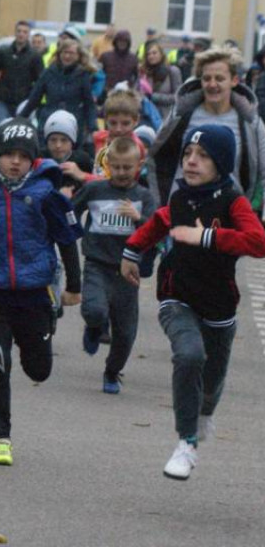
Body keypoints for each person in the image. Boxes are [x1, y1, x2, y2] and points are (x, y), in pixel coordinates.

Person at [121, 124, 265, 480]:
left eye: (202, 156)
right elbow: (157, 223)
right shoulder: (180, 198)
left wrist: (207, 236)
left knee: (212, 384)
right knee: (189, 355)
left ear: (222, 164)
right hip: (177, 295)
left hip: (219, 306)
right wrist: (132, 250)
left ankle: (202, 417)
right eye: (188, 154)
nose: (191, 162)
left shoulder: (234, 202)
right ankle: (185, 444)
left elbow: (258, 242)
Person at [0, 119, 83, 465]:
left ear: (33, 159)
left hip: (34, 292)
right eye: (8, 155)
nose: (15, 162)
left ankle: (44, 335)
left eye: (22, 156)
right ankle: (1, 437)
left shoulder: (46, 194)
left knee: (38, 370)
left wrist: (73, 286)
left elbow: (67, 241)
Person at [71, 137, 155, 394]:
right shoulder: (96, 190)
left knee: (126, 332)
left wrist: (139, 218)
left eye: (126, 168)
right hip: (97, 263)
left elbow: (156, 231)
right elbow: (71, 209)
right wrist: (70, 232)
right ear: (107, 165)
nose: (120, 173)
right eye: (115, 167)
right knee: (94, 309)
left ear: (138, 166)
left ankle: (111, 371)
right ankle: (95, 327)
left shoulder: (143, 196)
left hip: (128, 270)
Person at [150, 47, 265, 209]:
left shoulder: (250, 122)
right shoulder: (180, 116)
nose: (212, 84)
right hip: (181, 215)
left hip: (227, 220)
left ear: (234, 81)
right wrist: (159, 206)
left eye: (219, 78)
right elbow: (156, 155)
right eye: (206, 78)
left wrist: (252, 211)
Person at [19, 37, 97, 145]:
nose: (67, 56)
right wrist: (20, 119)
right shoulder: (49, 72)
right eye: (64, 52)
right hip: (48, 121)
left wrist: (93, 128)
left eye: (71, 53)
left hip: (73, 124)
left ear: (78, 56)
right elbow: (34, 98)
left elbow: (89, 104)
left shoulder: (82, 75)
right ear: (59, 54)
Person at [0, 20, 44, 122]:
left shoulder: (35, 56)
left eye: (24, 32)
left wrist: (33, 100)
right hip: (3, 100)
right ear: (15, 32)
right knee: (2, 128)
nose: (21, 34)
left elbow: (40, 81)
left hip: (24, 101)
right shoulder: (4, 51)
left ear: (28, 35)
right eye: (19, 31)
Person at [43, 110, 93, 192]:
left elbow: (98, 185)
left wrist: (82, 175)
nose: (58, 145)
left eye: (64, 140)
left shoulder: (83, 160)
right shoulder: (40, 160)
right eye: (53, 140)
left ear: (72, 142)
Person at [142, 39, 183, 121]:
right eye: (148, 54)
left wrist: (153, 96)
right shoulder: (145, 73)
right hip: (148, 116)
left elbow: (178, 97)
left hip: (166, 118)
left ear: (161, 54)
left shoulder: (172, 71)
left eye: (154, 53)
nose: (151, 56)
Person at [98, 29, 139, 99]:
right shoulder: (105, 56)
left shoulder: (133, 58)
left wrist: (132, 89)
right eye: (119, 41)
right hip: (108, 93)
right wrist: (103, 88)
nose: (122, 43)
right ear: (115, 42)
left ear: (128, 43)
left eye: (125, 41)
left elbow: (137, 77)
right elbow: (98, 75)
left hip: (126, 94)